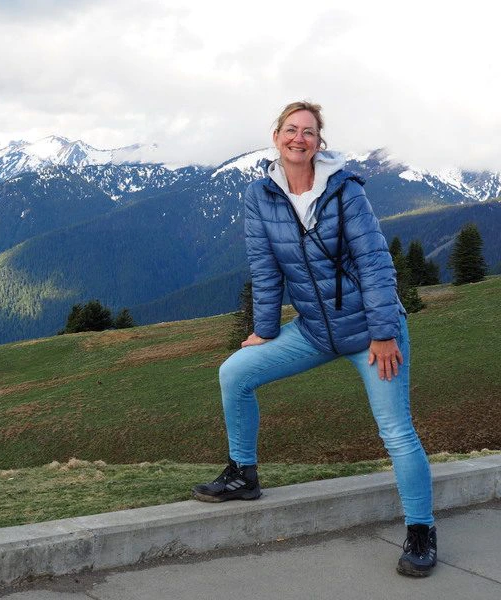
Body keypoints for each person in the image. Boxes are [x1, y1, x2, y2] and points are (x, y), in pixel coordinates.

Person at [192, 101, 437, 577]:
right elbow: (265, 268)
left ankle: (422, 531)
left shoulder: (345, 191)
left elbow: (375, 264)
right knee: (234, 373)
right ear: (277, 135)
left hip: (370, 335)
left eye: (308, 131)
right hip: (312, 332)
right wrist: (264, 331)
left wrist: (385, 334)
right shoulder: (259, 195)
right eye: (290, 130)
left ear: (318, 141)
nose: (298, 138)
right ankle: (243, 474)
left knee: (397, 433)